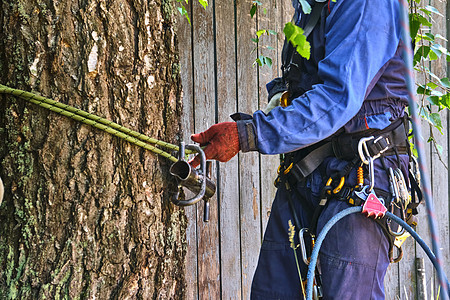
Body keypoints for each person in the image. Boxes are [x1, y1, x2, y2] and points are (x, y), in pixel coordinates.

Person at [190, 0, 417, 298]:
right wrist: (280, 100)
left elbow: (338, 97)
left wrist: (251, 133)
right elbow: (305, 79)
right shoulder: (312, 6)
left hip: (363, 174)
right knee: (273, 292)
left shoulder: (366, 4)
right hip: (306, 171)